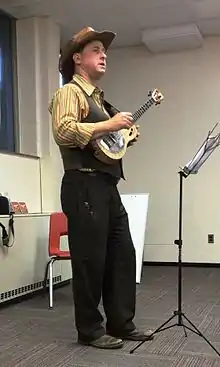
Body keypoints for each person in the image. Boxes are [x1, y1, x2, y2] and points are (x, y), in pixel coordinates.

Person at [49, 26, 153, 349]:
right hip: (83, 184)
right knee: (90, 259)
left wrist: (124, 136)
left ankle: (121, 323)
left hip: (106, 186)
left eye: (103, 50)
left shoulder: (101, 102)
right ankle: (90, 330)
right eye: (96, 50)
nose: (104, 54)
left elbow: (105, 142)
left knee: (123, 254)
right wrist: (110, 125)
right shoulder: (69, 92)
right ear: (78, 59)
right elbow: (64, 131)